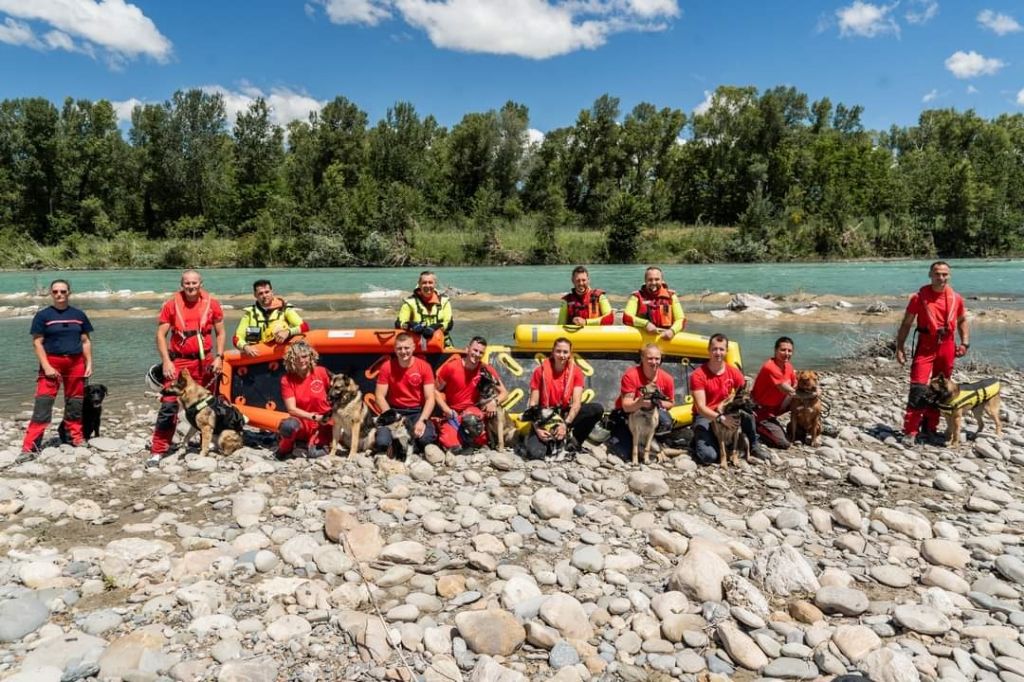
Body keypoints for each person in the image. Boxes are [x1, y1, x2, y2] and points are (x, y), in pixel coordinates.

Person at [148, 269, 225, 466]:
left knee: (206, 406)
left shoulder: (212, 304)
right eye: (187, 283)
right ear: (181, 285)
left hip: (204, 362)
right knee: (169, 405)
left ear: (201, 283)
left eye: (194, 283)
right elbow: (160, 335)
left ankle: (205, 446)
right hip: (179, 362)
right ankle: (158, 451)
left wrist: (219, 357)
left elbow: (221, 332)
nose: (190, 286)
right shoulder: (171, 304)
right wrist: (166, 361)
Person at [895, 261, 969, 444]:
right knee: (918, 387)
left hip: (947, 345)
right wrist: (900, 347)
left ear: (949, 276)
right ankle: (910, 431)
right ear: (930, 275)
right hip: (926, 345)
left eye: (945, 274)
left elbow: (961, 321)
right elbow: (906, 323)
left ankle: (930, 427)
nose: (941, 278)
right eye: (937, 274)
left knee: (941, 389)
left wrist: (965, 343)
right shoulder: (918, 298)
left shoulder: (956, 298)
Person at [19, 279, 94, 458]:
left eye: (63, 291)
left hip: (76, 363)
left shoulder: (79, 315)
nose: (59, 294)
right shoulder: (43, 316)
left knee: (75, 402)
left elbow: (85, 341)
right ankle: (29, 447)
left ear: (69, 292)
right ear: (51, 294)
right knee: (43, 403)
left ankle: (74, 438)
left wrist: (89, 363)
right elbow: (37, 343)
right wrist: (46, 366)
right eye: (55, 292)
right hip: (52, 362)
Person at [689, 333, 770, 463]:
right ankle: (698, 441)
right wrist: (721, 419)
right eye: (714, 349)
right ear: (709, 350)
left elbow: (745, 394)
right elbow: (701, 407)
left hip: (727, 410)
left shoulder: (733, 372)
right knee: (708, 457)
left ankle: (753, 445)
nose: (718, 353)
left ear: (726, 351)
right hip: (705, 415)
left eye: (721, 349)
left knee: (748, 414)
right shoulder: (698, 375)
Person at [522, 337, 604, 459]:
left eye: (565, 352)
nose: (562, 355)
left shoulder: (576, 372)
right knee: (535, 454)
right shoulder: (539, 372)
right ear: (552, 352)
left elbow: (576, 404)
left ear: (570, 354)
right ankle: (541, 439)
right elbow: (533, 404)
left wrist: (565, 425)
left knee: (596, 409)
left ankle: (574, 441)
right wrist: (537, 428)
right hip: (544, 415)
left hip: (564, 414)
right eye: (558, 351)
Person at [435, 336, 508, 453]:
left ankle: (473, 440)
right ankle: (459, 438)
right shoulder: (451, 367)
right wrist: (446, 409)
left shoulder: (485, 369)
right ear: (467, 349)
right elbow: (435, 390)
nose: (477, 354)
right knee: (452, 446)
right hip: (452, 413)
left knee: (472, 422)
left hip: (472, 411)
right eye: (475, 350)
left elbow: (504, 393)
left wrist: (494, 402)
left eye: (481, 352)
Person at [606, 344, 676, 459]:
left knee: (666, 421)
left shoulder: (667, 378)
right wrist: (640, 402)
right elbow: (627, 407)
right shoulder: (631, 375)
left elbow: (671, 403)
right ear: (642, 358)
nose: (654, 362)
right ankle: (634, 443)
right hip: (628, 415)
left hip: (651, 412)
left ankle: (654, 445)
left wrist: (656, 402)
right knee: (621, 454)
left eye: (657, 358)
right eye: (650, 358)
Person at [374, 332, 437, 453]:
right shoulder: (387, 367)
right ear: (395, 349)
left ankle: (406, 445)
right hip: (394, 411)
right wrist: (392, 419)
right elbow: (379, 396)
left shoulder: (424, 366)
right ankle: (399, 444)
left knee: (426, 439)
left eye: (406, 348)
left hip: (416, 412)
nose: (403, 352)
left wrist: (422, 421)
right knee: (382, 442)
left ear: (413, 347)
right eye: (399, 348)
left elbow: (430, 398)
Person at [276, 341, 331, 460]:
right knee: (288, 426)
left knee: (313, 454)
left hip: (324, 423)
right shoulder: (287, 380)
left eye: (304, 356)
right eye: (296, 357)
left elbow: (338, 394)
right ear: (291, 360)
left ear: (311, 356)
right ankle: (285, 447)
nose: (301, 360)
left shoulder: (321, 372)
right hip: (304, 422)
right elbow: (292, 409)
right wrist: (314, 417)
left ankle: (321, 442)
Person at [234, 279, 309, 356]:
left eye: (267, 292)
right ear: (255, 295)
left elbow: (304, 327)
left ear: (272, 292)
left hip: (281, 354)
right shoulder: (250, 313)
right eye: (260, 293)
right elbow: (236, 338)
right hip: (257, 355)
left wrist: (288, 332)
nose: (264, 296)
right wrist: (245, 347)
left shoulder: (284, 309)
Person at [750, 337, 797, 449]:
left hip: (776, 407)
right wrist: (813, 394)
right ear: (775, 351)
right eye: (783, 350)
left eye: (789, 351)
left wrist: (814, 390)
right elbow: (790, 391)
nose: (786, 354)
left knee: (808, 401)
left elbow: (796, 385)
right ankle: (756, 425)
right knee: (784, 443)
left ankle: (807, 427)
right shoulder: (770, 367)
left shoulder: (788, 366)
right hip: (761, 411)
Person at [623, 266, 685, 340]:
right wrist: (645, 324)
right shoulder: (636, 297)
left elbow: (681, 319)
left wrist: (672, 331)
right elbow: (627, 317)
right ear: (645, 281)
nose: (653, 283)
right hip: (643, 337)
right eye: (650, 280)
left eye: (657, 279)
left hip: (666, 336)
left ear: (662, 280)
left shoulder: (671, 296)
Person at [396, 271, 453, 348]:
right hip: (417, 346)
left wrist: (434, 327)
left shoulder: (444, 301)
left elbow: (449, 323)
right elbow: (399, 323)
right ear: (419, 284)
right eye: (424, 283)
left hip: (442, 345)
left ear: (435, 284)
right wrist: (411, 325)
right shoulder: (409, 302)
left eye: (430, 282)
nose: (427, 285)